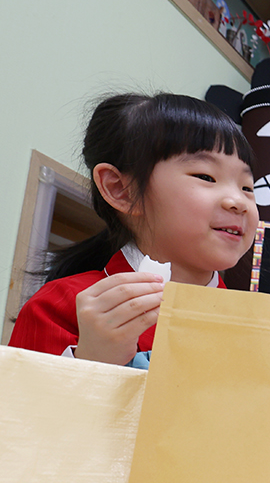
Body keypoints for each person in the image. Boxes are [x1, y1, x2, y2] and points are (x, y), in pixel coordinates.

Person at [9, 93, 256, 367]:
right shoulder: (57, 308)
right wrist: (92, 361)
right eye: (206, 177)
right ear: (121, 190)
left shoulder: (258, 326)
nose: (238, 202)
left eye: (247, 187)